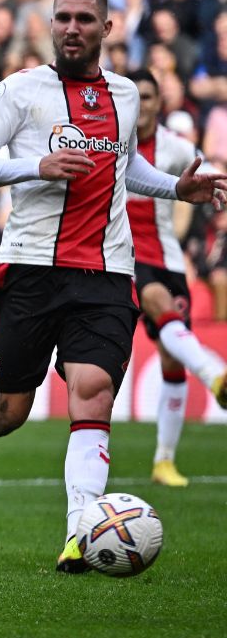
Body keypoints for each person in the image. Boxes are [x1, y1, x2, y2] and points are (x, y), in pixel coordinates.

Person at [0, 0, 227, 573]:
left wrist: (175, 187)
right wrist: (36, 165)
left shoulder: (127, 95)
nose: (73, 28)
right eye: (63, 17)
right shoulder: (20, 91)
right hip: (31, 266)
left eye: (85, 18)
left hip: (107, 272)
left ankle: (79, 535)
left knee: (92, 393)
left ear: (107, 29)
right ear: (51, 24)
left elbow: (125, 162)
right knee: (6, 414)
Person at [125, 68, 227, 487]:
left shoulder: (176, 148)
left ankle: (164, 461)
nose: (143, 104)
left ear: (158, 103)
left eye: (149, 97)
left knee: (170, 359)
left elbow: (204, 180)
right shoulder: (109, 142)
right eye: (137, 97)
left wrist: (186, 235)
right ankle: (214, 372)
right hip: (122, 255)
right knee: (156, 301)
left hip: (165, 254)